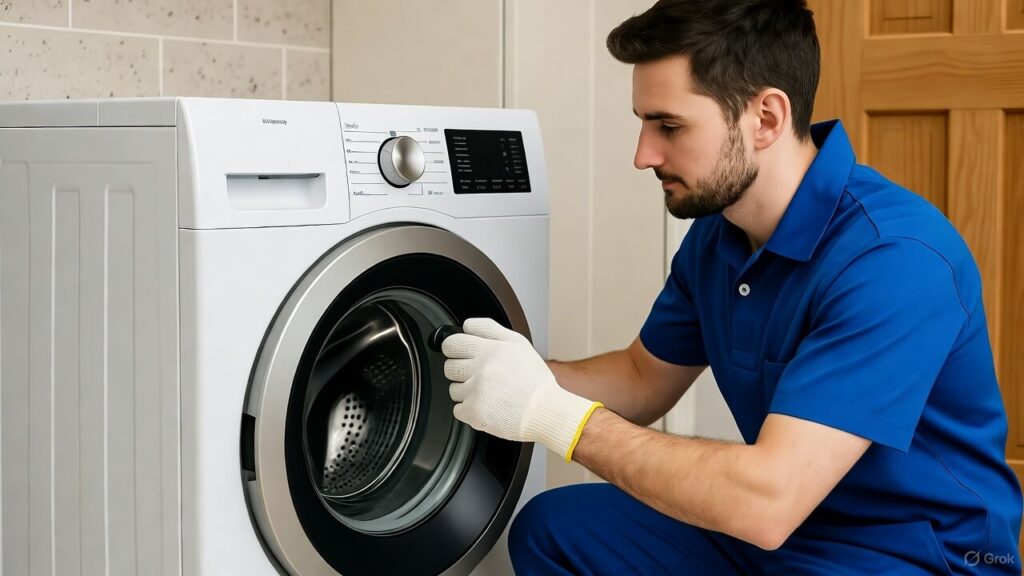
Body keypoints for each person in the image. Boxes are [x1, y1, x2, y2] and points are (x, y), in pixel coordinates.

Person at [440, 0, 1023, 573]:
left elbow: (767, 502)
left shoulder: (895, 258)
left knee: (751, 505)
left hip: (909, 553)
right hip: (788, 533)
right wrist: (507, 374)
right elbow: (643, 377)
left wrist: (550, 413)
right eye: (643, 123)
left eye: (669, 126)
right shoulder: (719, 235)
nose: (643, 155)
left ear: (765, 118)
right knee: (555, 530)